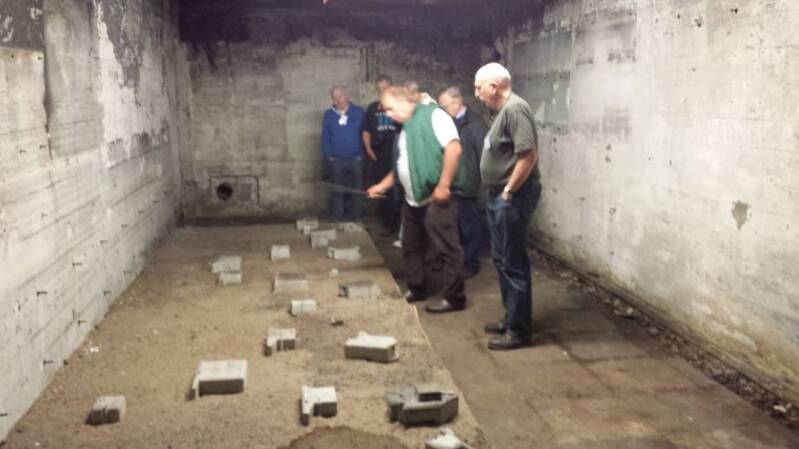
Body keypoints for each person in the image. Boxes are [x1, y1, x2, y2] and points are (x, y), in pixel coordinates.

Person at [367, 86, 467, 314]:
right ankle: (418, 287)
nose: (388, 115)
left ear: (403, 101)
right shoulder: (405, 127)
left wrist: (443, 185)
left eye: (390, 109)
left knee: (446, 247)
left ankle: (455, 297)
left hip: (435, 196)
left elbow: (454, 149)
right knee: (411, 245)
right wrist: (382, 185)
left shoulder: (434, 115)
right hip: (412, 199)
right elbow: (403, 164)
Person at [474, 62, 542, 350]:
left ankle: (519, 331)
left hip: (512, 197)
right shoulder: (502, 111)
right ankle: (511, 318)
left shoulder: (515, 109)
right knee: (502, 259)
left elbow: (528, 156)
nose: (476, 94)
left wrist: (508, 191)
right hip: (500, 196)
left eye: (478, 88)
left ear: (494, 86)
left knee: (512, 262)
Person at [438, 86, 487, 279]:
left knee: (469, 226)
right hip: (453, 182)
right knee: (456, 225)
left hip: (467, 184)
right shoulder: (450, 122)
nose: (442, 111)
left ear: (457, 103)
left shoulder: (475, 125)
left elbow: (485, 157)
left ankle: (471, 263)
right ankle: (459, 260)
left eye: (444, 106)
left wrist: (481, 184)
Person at [321, 84, 366, 221]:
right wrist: (330, 156)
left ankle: (356, 217)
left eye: (340, 96)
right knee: (337, 190)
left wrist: (361, 155)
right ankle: (337, 217)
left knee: (357, 190)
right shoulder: (328, 115)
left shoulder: (359, 112)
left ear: (346, 95)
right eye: (335, 98)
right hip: (337, 159)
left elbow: (365, 135)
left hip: (355, 158)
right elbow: (325, 137)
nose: (338, 100)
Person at [362, 75, 401, 233]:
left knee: (396, 190)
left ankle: (398, 224)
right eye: (379, 89)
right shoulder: (372, 108)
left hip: (396, 155)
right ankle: (387, 223)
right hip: (379, 156)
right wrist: (369, 149)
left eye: (384, 88)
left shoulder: (399, 107)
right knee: (382, 190)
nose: (381, 91)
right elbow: (366, 130)